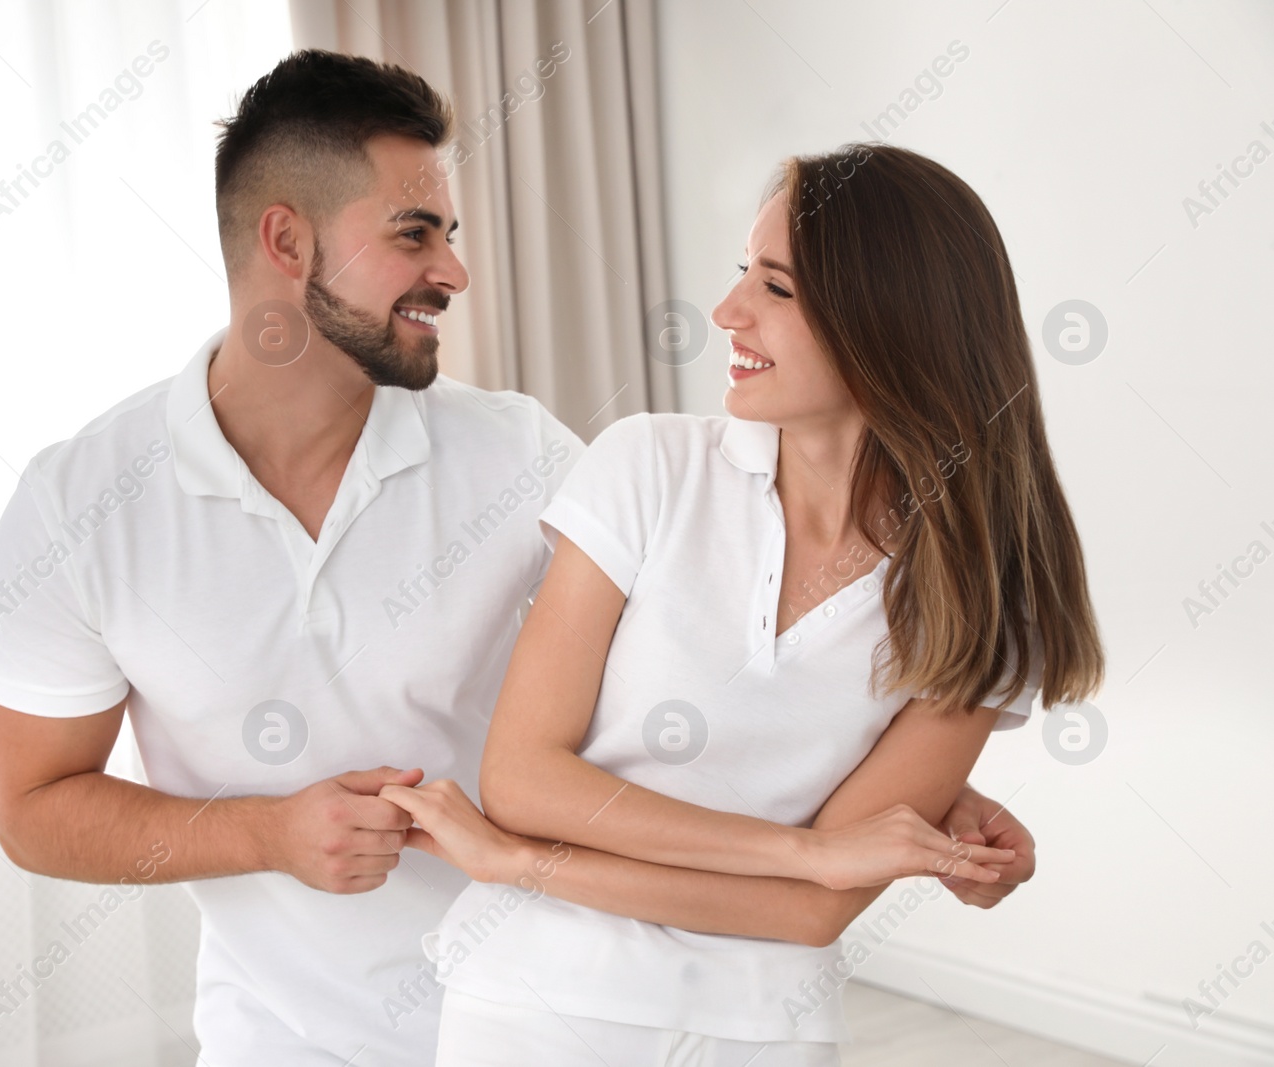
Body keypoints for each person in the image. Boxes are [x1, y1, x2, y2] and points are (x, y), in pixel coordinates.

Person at [0, 49, 1043, 1065]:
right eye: (414, 233)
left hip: (543, 993)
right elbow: (32, 807)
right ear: (286, 244)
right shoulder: (80, 504)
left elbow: (693, 649)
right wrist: (268, 830)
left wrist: (892, 776)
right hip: (287, 1030)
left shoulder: (521, 456)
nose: (455, 268)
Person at [381, 143, 1105, 1066]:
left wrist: (522, 863)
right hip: (536, 1000)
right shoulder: (648, 467)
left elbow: (812, 915)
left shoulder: (988, 594)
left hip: (769, 1029)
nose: (727, 313)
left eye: (778, 289)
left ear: (893, 323)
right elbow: (525, 778)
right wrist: (803, 850)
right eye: (742, 276)